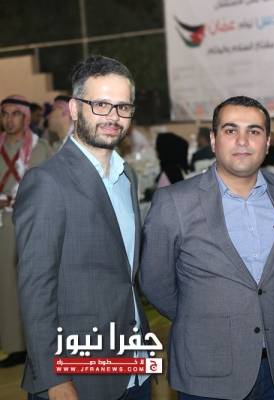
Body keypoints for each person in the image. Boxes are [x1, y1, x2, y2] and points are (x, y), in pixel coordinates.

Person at [141, 96, 274, 400]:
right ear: (214, 140)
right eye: (231, 130)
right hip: (207, 368)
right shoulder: (174, 201)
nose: (243, 141)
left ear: (268, 142)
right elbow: (155, 282)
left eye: (254, 131)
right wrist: (201, 316)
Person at [14, 55, 151, 400]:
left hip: (133, 366)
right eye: (100, 104)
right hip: (78, 375)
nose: (113, 117)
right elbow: (36, 290)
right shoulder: (47, 182)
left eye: (123, 107)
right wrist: (54, 379)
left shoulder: (126, 177)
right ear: (74, 109)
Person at [0, 95, 52, 368]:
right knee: (6, 286)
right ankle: (15, 345)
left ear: (26, 117)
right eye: (4, 114)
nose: (9, 119)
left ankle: (39, 343)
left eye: (15, 114)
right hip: (3, 223)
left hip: (33, 222)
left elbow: (49, 184)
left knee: (35, 284)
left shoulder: (40, 148)